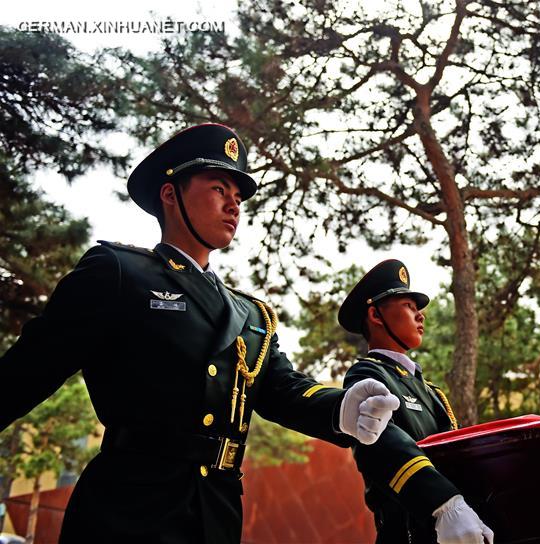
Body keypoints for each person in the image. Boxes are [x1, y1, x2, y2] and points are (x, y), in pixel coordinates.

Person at [0, 124, 403, 543]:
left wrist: (342, 408)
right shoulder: (118, 272)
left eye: (238, 197)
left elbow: (280, 388)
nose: (234, 206)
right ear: (170, 194)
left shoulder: (250, 313)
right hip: (130, 510)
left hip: (217, 510)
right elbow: (29, 369)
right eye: (217, 189)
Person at [339, 259, 494, 544]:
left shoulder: (432, 391)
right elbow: (378, 445)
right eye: (409, 306)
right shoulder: (368, 374)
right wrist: (442, 503)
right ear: (375, 315)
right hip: (406, 534)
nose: (420, 315)